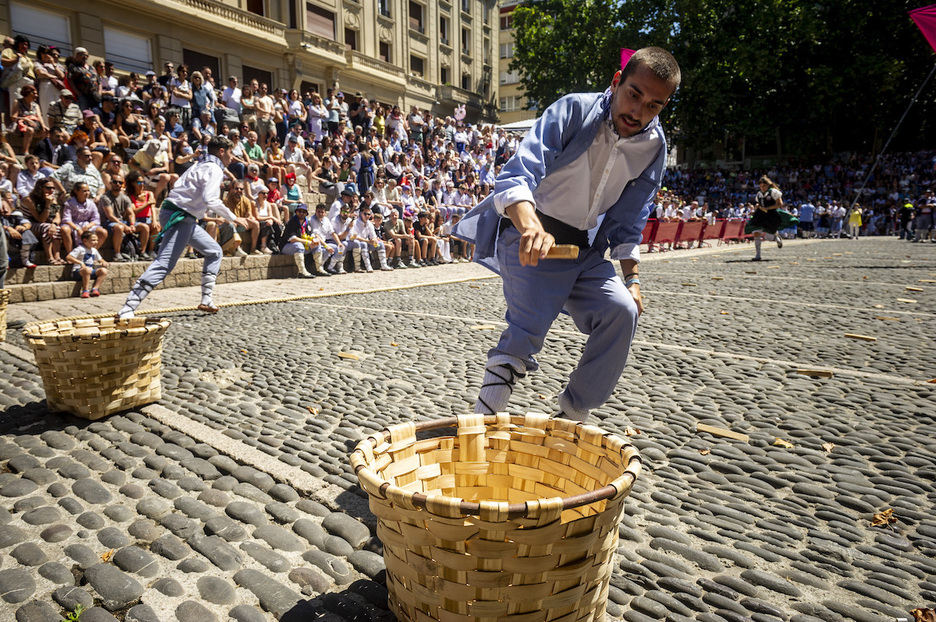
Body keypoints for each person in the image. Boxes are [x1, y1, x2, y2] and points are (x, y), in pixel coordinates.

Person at [453, 47, 680, 421]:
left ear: (664, 106)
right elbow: (518, 174)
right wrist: (531, 227)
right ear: (616, 82)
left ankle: (573, 415)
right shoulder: (573, 109)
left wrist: (633, 280)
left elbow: (630, 220)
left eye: (653, 106)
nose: (638, 112)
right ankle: (478, 429)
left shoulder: (654, 147)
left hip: (581, 250)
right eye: (634, 94)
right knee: (527, 330)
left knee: (622, 311)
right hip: (528, 235)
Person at [118, 136, 248, 318]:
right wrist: (233, 218)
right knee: (164, 264)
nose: (232, 157)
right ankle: (127, 308)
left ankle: (206, 300)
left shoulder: (199, 165)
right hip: (179, 216)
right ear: (221, 152)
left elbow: (185, 190)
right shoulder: (214, 169)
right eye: (230, 152)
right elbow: (210, 199)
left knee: (214, 251)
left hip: (180, 215)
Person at [747, 175, 796, 261]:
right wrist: (755, 210)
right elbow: (759, 204)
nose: (762, 188)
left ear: (768, 185)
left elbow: (780, 204)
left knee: (769, 236)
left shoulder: (773, 192)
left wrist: (767, 208)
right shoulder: (759, 194)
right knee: (756, 232)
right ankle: (758, 255)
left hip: (771, 215)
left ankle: (776, 236)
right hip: (760, 215)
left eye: (764, 186)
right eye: (760, 186)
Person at [66, 229, 108, 298]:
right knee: (87, 270)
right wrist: (80, 263)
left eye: (97, 240)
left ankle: (95, 289)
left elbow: (100, 259)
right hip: (78, 271)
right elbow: (69, 257)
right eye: (93, 240)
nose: (96, 242)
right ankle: (85, 290)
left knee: (103, 271)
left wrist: (103, 262)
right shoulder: (80, 249)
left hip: (89, 271)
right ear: (85, 240)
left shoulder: (94, 250)